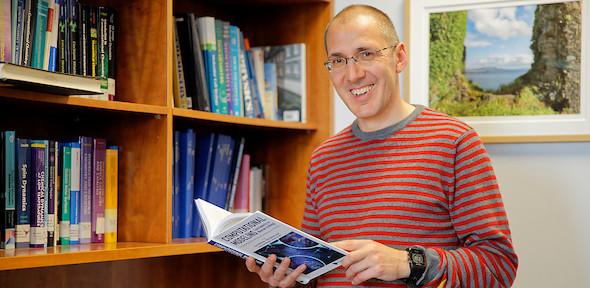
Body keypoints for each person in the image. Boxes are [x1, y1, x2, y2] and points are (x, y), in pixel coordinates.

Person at [246, 4, 518, 288]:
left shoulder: (454, 141)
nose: (352, 75)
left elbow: (498, 267)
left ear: (399, 57)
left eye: (366, 54)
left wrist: (408, 263)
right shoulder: (323, 159)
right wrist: (290, 279)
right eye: (338, 61)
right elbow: (317, 273)